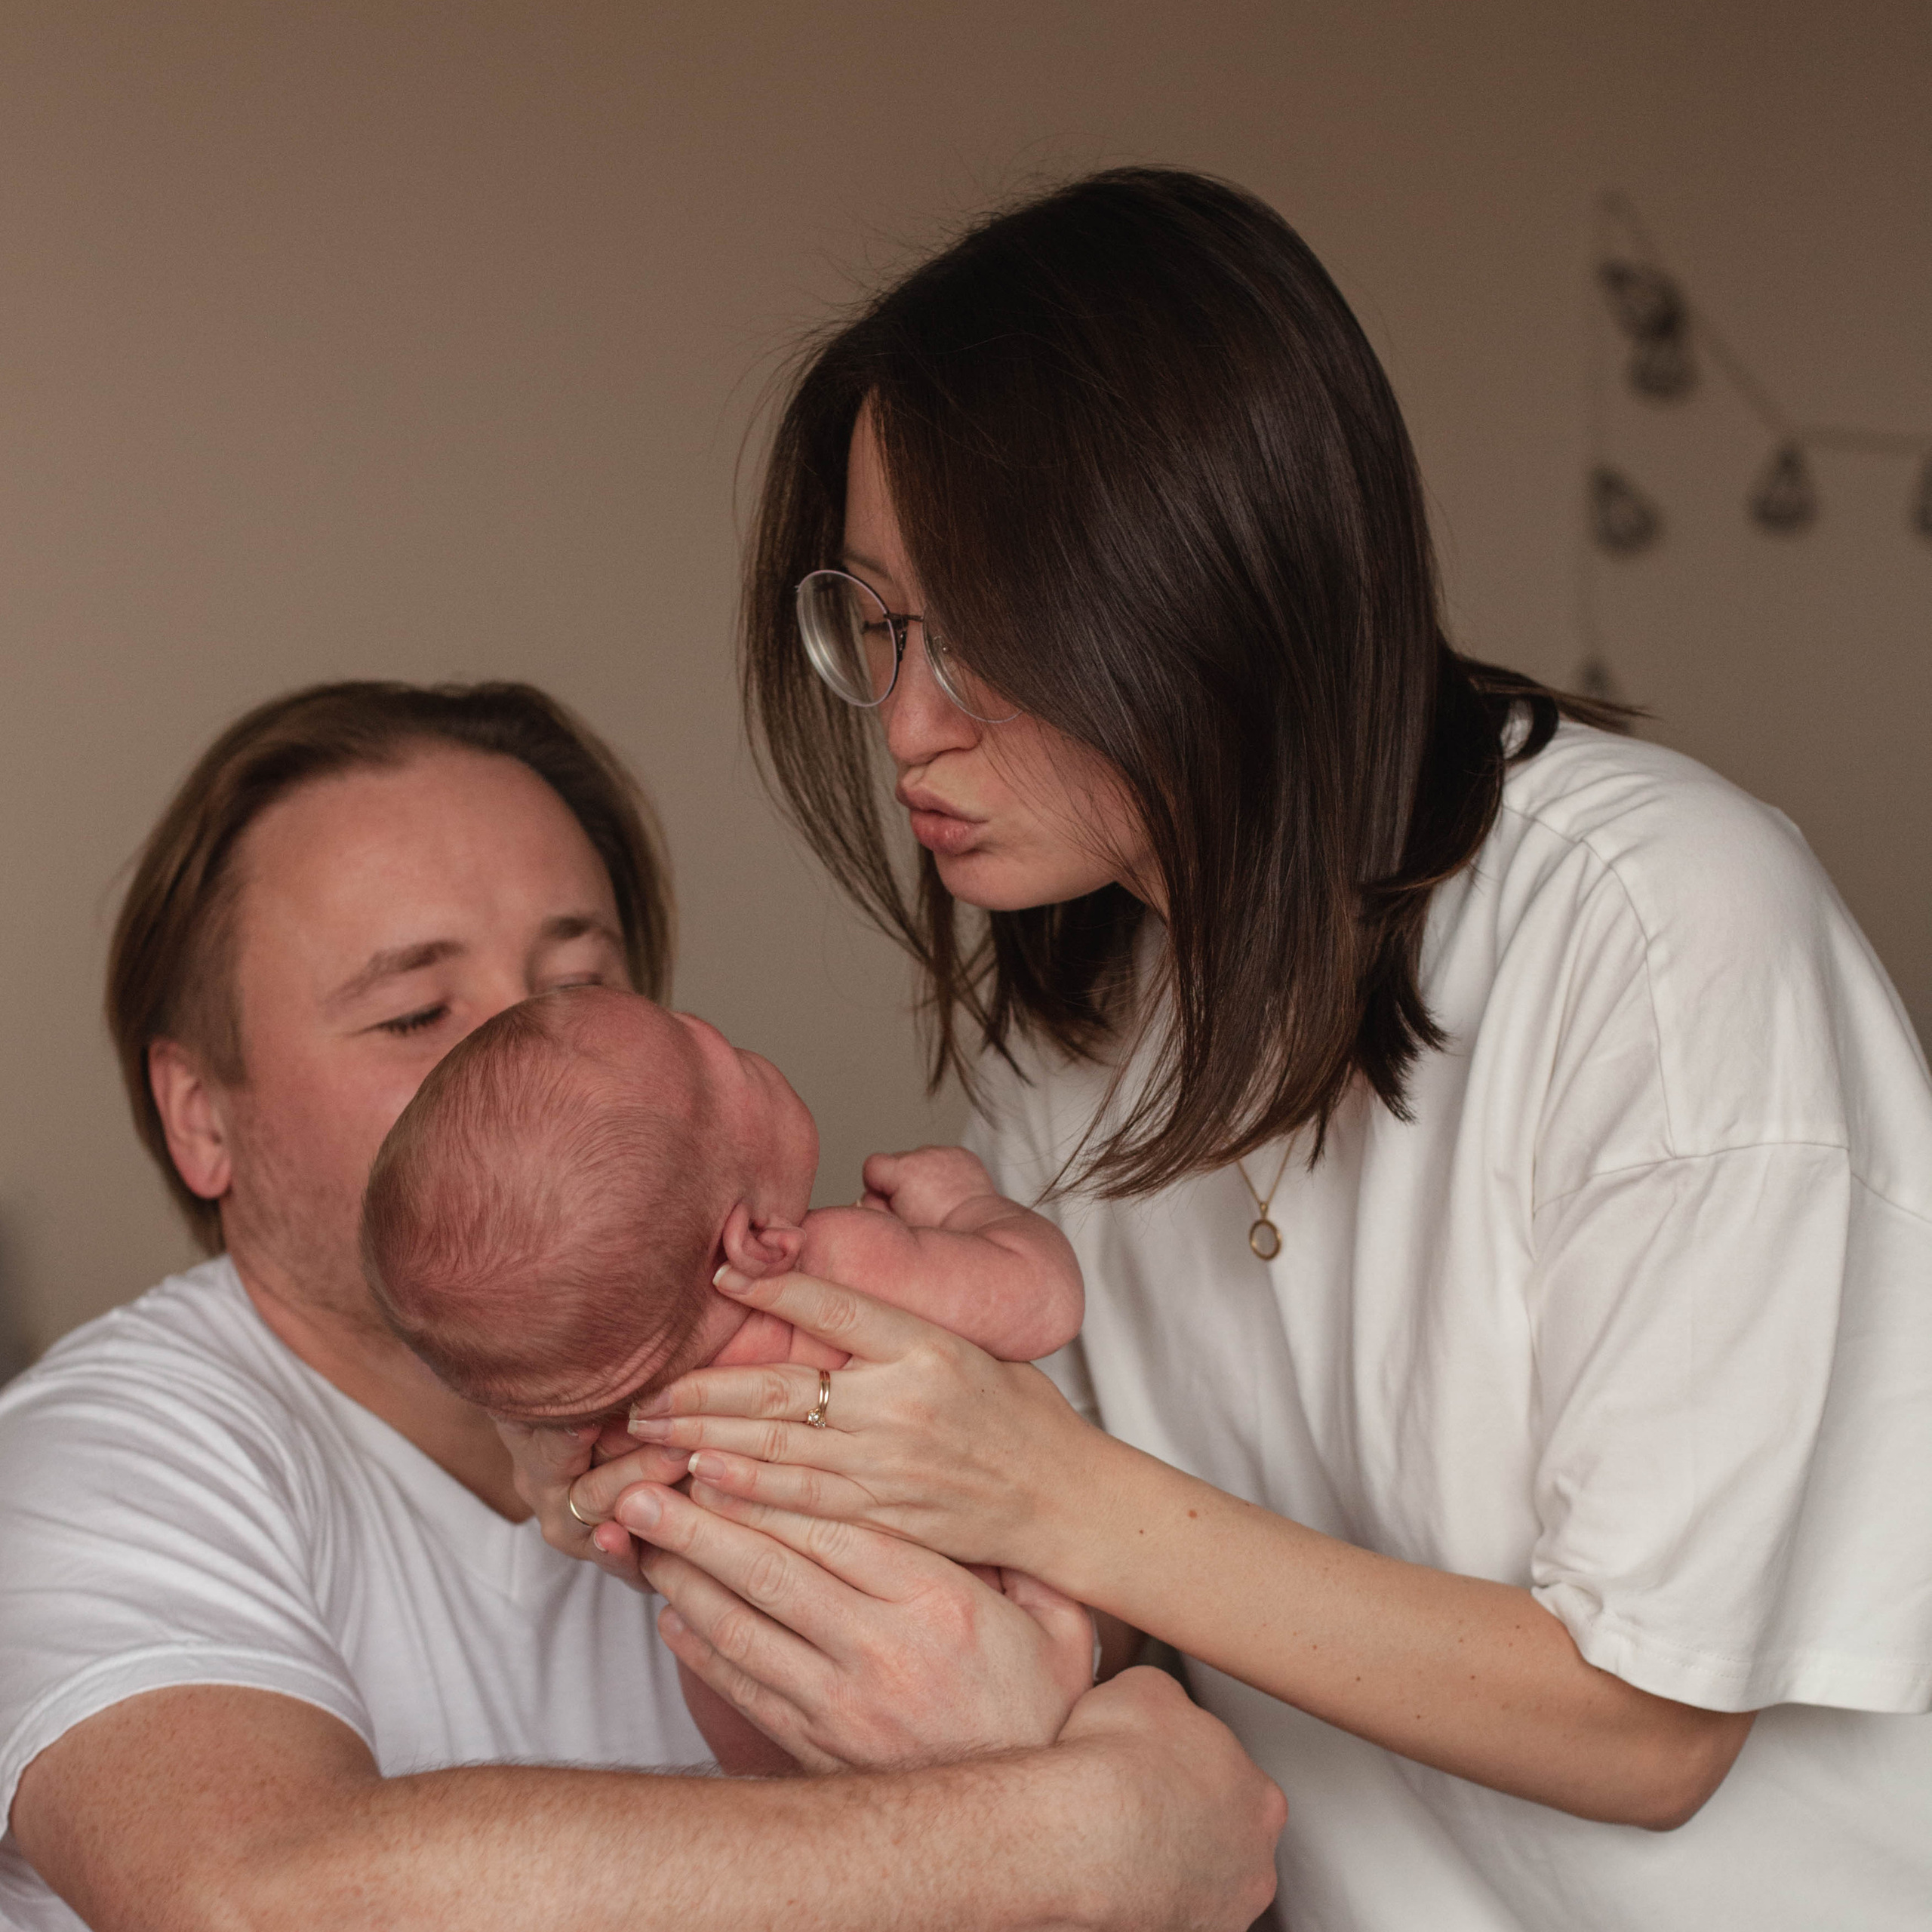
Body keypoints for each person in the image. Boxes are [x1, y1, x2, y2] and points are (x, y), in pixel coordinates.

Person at [529, 169, 1932, 1930]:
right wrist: (766, 1485)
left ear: (1192, 575)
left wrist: (1039, 1485)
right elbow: (1142, 1621)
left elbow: (1648, 1720)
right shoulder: (1085, 1013)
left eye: (963, 626)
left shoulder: (1656, 926)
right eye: (877, 625)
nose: (902, 724)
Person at [0, 679, 1285, 1932]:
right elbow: (247, 1899)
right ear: (199, 1118)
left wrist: (1067, 1659)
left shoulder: (790, 1356)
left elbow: (1067, 1610)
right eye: (410, 1013)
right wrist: (1062, 1836)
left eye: (579, 994)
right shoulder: (95, 1464)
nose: (509, 1051)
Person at [361, 982, 1084, 1425]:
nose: (719, 1031)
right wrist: (965, 1206)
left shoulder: (624, 1427)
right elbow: (1042, 1301)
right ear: (757, 1246)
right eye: (736, 1063)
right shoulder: (839, 1270)